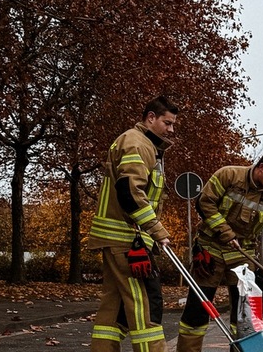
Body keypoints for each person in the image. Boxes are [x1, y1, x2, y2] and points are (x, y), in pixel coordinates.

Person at [88, 96, 178, 352]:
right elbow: (130, 192)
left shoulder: (142, 144)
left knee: (113, 310)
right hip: (127, 241)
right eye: (167, 122)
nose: (171, 129)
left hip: (120, 239)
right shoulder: (137, 144)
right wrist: (157, 231)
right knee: (146, 303)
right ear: (151, 117)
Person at [176, 150, 263, 352]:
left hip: (242, 257)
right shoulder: (228, 175)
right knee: (197, 310)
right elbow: (205, 202)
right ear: (261, 167)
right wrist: (226, 233)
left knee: (243, 314)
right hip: (210, 249)